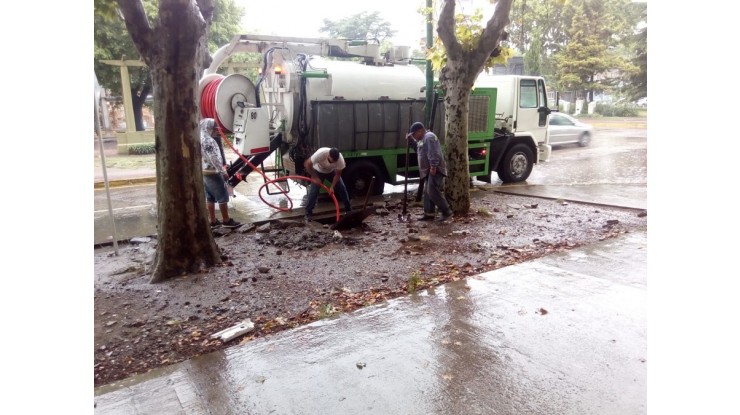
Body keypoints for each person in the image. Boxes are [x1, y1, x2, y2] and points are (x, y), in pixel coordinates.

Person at [407, 122, 453, 222]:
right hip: (429, 170)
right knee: (428, 192)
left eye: (414, 135)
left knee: (432, 191)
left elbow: (434, 152)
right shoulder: (423, 139)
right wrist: (411, 141)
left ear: (420, 131)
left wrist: (433, 166)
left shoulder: (429, 137)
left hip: (435, 169)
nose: (414, 137)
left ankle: (446, 211)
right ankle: (429, 214)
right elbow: (419, 150)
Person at [199, 118, 241, 228]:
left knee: (210, 197)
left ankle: (212, 220)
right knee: (223, 196)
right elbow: (214, 158)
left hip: (204, 171)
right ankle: (226, 220)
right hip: (214, 172)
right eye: (214, 127)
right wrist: (223, 171)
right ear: (209, 127)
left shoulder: (199, 137)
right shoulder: (208, 140)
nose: (216, 130)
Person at [303, 147, 352, 220]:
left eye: (335, 161)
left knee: (342, 188)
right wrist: (315, 177)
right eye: (332, 160)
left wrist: (332, 186)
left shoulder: (340, 159)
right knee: (314, 192)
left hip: (331, 172)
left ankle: (348, 210)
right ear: (328, 155)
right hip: (318, 171)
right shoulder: (320, 153)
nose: (334, 162)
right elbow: (307, 164)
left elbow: (338, 174)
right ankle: (308, 213)